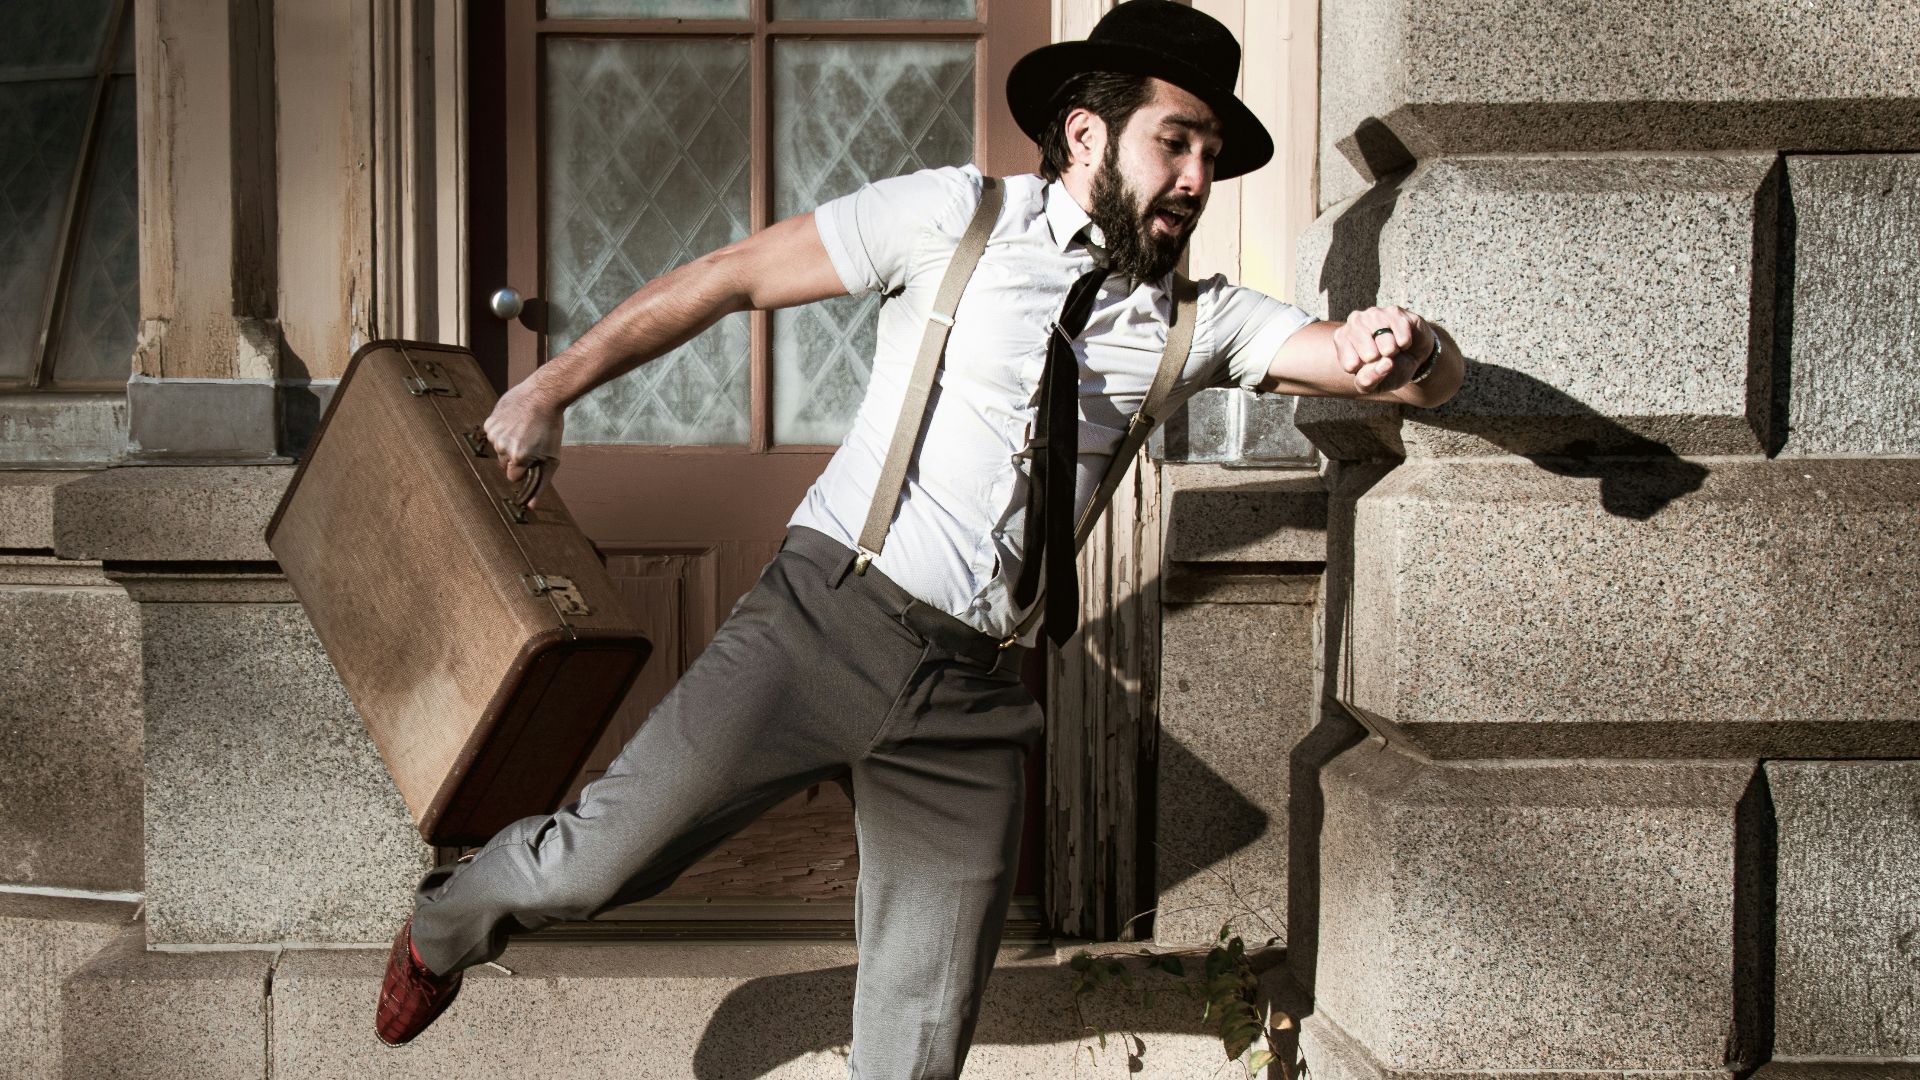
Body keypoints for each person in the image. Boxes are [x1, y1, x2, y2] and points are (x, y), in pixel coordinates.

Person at [375, 0, 1462, 1074]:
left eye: (1211, 153)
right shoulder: (953, 216)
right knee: (592, 867)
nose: (1196, 177)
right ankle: (446, 923)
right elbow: (728, 277)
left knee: (919, 1046)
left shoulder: (1200, 320)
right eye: (1174, 140)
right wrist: (554, 385)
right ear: (1086, 131)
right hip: (821, 621)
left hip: (975, 697)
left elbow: (1381, 371)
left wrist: (1411, 349)